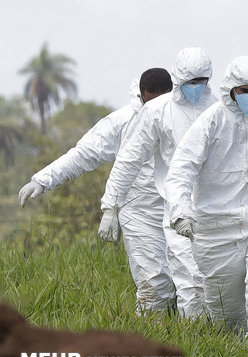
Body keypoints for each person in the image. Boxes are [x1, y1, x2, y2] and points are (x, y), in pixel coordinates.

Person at [165, 56, 248, 340]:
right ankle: (233, 344)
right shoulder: (211, 120)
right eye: (243, 91)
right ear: (230, 88)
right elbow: (181, 168)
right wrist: (180, 210)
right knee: (225, 307)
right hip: (215, 225)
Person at [18, 68, 176, 313]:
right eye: (151, 100)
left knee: (190, 281)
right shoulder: (124, 121)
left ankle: (194, 334)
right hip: (139, 212)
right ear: (142, 96)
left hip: (179, 208)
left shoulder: (184, 115)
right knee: (154, 282)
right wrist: (42, 180)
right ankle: (150, 337)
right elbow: (84, 154)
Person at [99, 47, 218, 318]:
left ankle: (226, 338)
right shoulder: (157, 110)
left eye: (202, 82)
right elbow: (130, 158)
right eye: (190, 82)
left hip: (217, 207)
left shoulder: (218, 110)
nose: (196, 88)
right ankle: (196, 340)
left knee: (219, 282)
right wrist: (111, 206)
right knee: (189, 279)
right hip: (176, 208)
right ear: (178, 79)